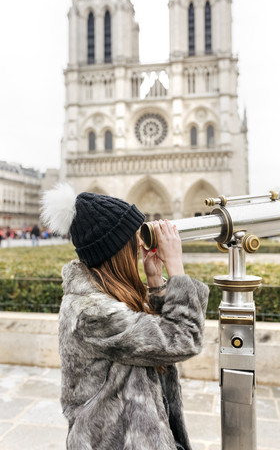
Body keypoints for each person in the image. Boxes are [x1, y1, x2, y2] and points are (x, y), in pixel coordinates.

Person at [41, 183, 209, 450]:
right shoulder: (93, 313)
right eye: (133, 241)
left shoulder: (103, 298)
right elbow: (183, 337)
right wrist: (176, 266)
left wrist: (155, 281)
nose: (139, 246)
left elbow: (153, 333)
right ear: (117, 251)